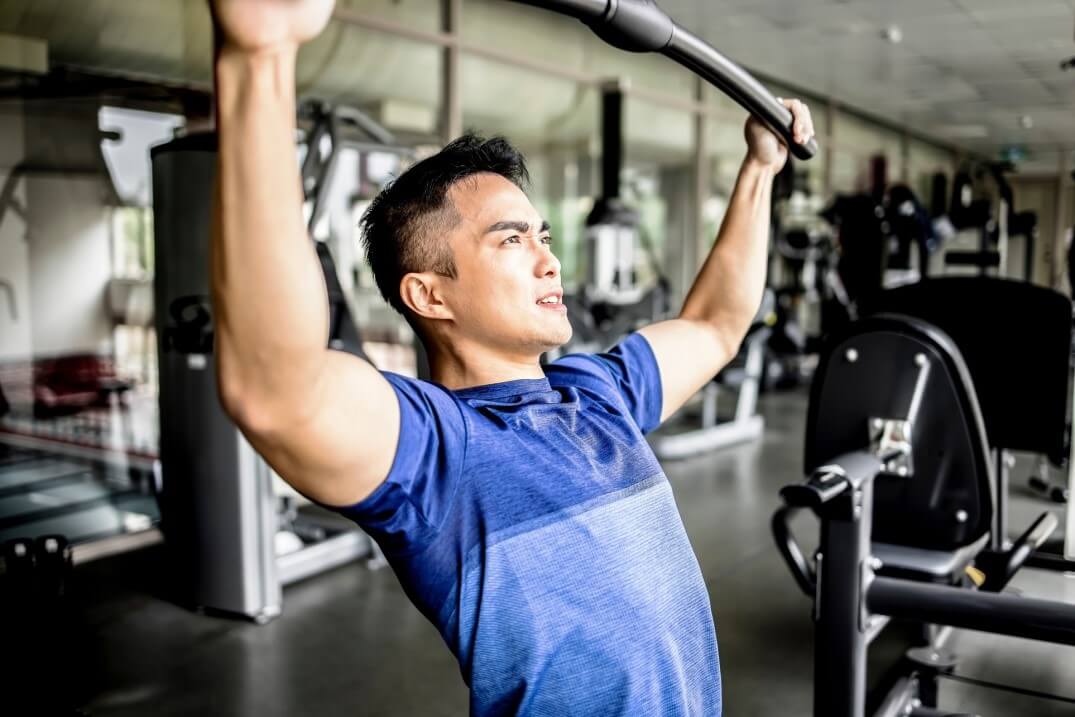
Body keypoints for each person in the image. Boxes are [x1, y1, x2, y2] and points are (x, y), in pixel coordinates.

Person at [208, 1, 814, 714]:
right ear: (429, 295)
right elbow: (275, 388)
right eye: (510, 240)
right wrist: (261, 56)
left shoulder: (598, 392)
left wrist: (760, 167)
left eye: (543, 235)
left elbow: (715, 324)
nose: (549, 261)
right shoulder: (434, 453)